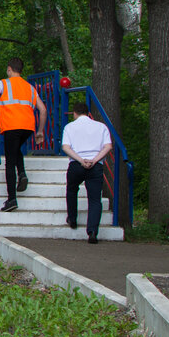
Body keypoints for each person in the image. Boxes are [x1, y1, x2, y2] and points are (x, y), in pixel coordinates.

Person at [0, 57, 47, 212]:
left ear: (9, 69)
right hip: (28, 127)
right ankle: (22, 173)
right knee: (16, 150)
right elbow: (43, 110)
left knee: (10, 160)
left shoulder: (3, 83)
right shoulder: (30, 87)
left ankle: (12, 199)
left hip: (11, 126)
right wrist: (40, 131)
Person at [61, 101, 112, 244]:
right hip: (95, 166)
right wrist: (94, 160)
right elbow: (108, 146)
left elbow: (66, 147)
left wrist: (81, 160)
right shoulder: (101, 127)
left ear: (74, 114)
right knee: (95, 199)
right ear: (88, 113)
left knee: (71, 190)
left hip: (76, 164)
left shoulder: (70, 127)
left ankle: (72, 219)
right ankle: (93, 231)